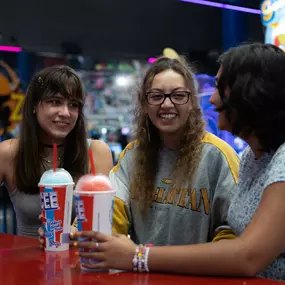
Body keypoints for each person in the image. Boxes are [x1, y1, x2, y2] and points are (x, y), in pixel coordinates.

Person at [74, 44, 285, 280]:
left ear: (250, 94)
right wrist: (82, 233)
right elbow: (113, 209)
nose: (212, 99)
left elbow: (245, 254)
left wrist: (137, 256)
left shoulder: (237, 157)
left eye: (218, 87)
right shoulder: (253, 156)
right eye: (156, 96)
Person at [0, 66, 113, 238]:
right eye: (55, 102)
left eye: (73, 105)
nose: (66, 113)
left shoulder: (97, 152)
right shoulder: (9, 152)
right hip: (25, 261)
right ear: (34, 106)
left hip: (84, 259)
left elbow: (107, 217)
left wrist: (75, 230)